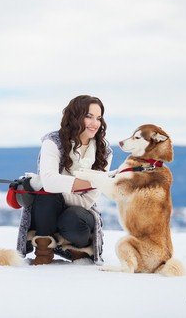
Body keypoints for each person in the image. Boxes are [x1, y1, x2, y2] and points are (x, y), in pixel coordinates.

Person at [16, 95, 113, 265]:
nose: (95, 123)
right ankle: (44, 252)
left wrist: (59, 189)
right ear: (75, 116)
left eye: (98, 118)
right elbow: (49, 182)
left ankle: (78, 252)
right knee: (45, 195)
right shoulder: (53, 142)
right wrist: (94, 182)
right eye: (88, 116)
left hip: (79, 212)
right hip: (49, 209)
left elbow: (87, 200)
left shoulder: (104, 151)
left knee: (73, 216)